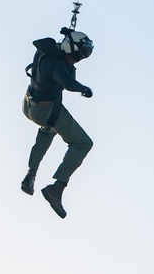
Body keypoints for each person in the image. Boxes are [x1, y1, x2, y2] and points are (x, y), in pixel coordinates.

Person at [21, 28, 95, 219]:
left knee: (48, 130)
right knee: (83, 143)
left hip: (29, 104)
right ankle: (57, 188)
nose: (76, 60)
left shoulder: (48, 50)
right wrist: (83, 88)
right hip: (44, 110)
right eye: (75, 56)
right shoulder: (55, 63)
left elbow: (64, 61)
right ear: (67, 48)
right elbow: (68, 82)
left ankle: (30, 174)